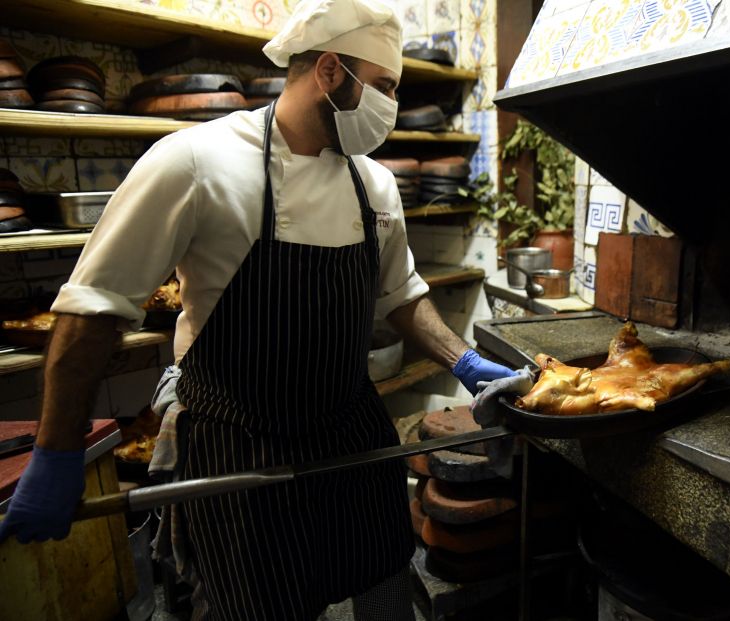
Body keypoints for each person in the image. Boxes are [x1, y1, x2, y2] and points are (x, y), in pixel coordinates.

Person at [0, 0, 517, 618]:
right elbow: (91, 314)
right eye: (382, 87)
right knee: (260, 603)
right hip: (238, 444)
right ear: (329, 71)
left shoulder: (373, 184)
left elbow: (400, 294)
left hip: (349, 429)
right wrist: (59, 454)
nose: (390, 106)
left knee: (382, 575)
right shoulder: (194, 162)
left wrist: (464, 361)